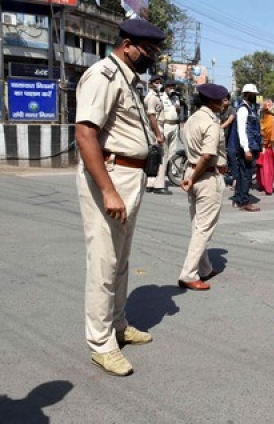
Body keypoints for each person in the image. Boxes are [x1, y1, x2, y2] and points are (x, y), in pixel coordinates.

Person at [75, 19, 166, 376]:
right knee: (103, 261)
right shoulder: (103, 76)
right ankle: (101, 343)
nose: (152, 58)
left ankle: (117, 323)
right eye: (148, 51)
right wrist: (108, 190)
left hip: (130, 175)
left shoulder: (128, 79)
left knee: (121, 259)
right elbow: (85, 135)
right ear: (127, 45)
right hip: (110, 176)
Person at [177, 83, 229, 291]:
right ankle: (188, 274)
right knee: (203, 228)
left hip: (192, 171)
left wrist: (191, 177)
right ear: (214, 101)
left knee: (198, 225)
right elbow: (207, 156)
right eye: (223, 100)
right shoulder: (212, 123)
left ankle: (205, 267)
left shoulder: (192, 119)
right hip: (206, 176)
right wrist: (195, 176)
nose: (225, 103)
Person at [227, 83, 262, 212]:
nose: (256, 97)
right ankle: (244, 202)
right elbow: (242, 131)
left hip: (250, 146)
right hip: (246, 148)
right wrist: (246, 149)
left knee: (243, 174)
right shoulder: (243, 109)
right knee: (246, 175)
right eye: (254, 94)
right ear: (247, 94)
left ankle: (239, 199)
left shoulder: (250, 108)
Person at [144, 75, 171, 194]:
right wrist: (159, 134)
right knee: (161, 157)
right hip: (155, 128)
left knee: (153, 156)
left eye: (159, 82)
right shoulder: (152, 98)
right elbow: (151, 116)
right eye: (155, 82)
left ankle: (150, 183)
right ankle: (159, 185)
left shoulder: (156, 96)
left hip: (156, 128)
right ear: (150, 84)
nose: (158, 84)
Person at [255, 98, 274, 196]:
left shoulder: (262, 118)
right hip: (268, 146)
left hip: (261, 145)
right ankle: (268, 188)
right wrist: (273, 145)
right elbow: (272, 135)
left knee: (260, 167)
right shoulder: (271, 119)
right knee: (269, 169)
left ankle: (261, 185)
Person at [219, 93, 236, 187]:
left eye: (225, 100)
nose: (223, 101)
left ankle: (235, 179)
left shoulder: (232, 110)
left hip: (232, 138)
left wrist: (220, 127)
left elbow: (229, 121)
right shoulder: (222, 110)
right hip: (224, 136)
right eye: (222, 100)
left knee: (231, 155)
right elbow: (219, 120)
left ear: (229, 101)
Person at [163, 79, 182, 154]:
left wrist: (178, 109)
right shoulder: (162, 97)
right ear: (166, 88)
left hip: (175, 125)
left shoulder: (176, 98)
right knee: (164, 151)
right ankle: (164, 166)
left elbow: (178, 112)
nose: (172, 89)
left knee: (173, 151)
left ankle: (171, 165)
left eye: (173, 88)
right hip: (165, 125)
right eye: (170, 88)